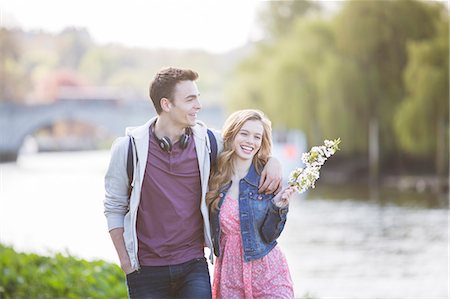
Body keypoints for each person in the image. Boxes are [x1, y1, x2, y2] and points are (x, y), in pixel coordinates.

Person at [103, 67, 283, 299]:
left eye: (197, 97)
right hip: (145, 271)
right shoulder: (128, 149)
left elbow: (247, 146)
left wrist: (272, 160)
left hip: (192, 265)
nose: (198, 105)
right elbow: (114, 207)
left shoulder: (209, 142)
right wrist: (126, 263)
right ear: (166, 104)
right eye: (190, 99)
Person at [207, 109, 296, 299]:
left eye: (257, 137)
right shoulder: (215, 176)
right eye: (244, 133)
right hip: (230, 274)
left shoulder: (267, 178)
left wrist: (278, 206)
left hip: (268, 271)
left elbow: (269, 234)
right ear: (232, 134)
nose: (250, 141)